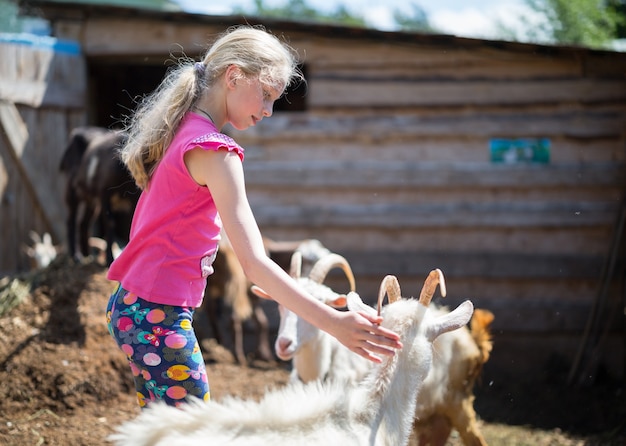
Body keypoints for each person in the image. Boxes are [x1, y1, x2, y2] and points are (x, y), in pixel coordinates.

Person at [105, 25, 402, 409]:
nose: (268, 110)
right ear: (233, 76)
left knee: (162, 429)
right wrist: (335, 325)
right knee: (196, 432)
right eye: (266, 94)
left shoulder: (182, 130)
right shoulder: (217, 152)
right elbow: (254, 263)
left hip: (133, 306)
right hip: (158, 315)